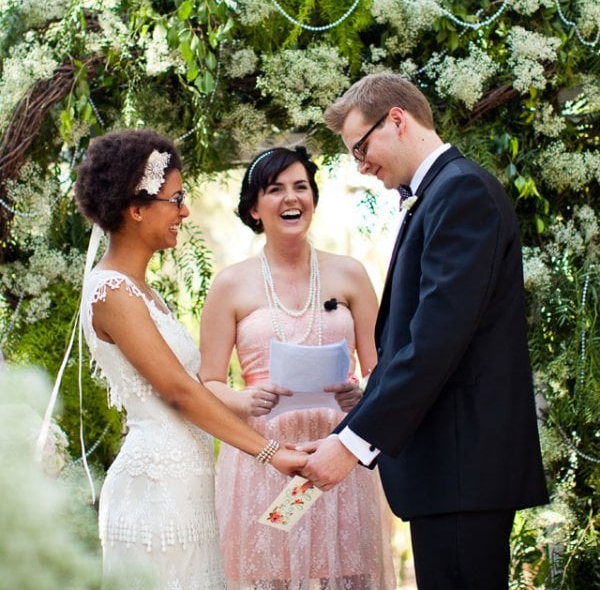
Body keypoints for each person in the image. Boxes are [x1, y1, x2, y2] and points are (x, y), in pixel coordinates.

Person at [299, 74, 549, 590]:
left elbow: (436, 341)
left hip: (462, 467)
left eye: (361, 148)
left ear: (396, 118)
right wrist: (370, 400)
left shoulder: (460, 193)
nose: (361, 165)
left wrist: (351, 444)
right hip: (449, 469)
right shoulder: (443, 193)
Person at [74, 130, 306, 590]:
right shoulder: (112, 293)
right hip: (155, 491)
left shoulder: (143, 292)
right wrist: (271, 453)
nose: (184, 211)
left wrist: (257, 410)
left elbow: (192, 387)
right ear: (136, 209)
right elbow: (180, 393)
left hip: (186, 484)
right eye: (175, 198)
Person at [199, 146, 395, 590]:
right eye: (276, 189)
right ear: (254, 207)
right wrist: (244, 398)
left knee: (346, 574)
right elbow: (208, 383)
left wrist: (361, 394)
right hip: (263, 458)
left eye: (301, 187)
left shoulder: (349, 274)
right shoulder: (230, 284)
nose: (292, 198)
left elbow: (381, 370)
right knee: (270, 576)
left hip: (340, 454)